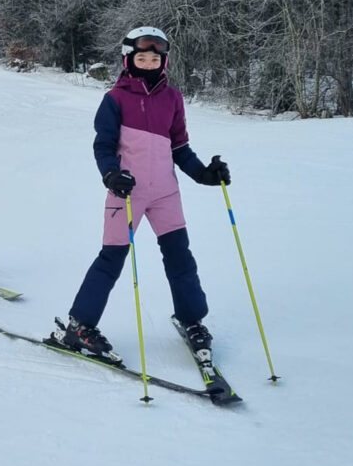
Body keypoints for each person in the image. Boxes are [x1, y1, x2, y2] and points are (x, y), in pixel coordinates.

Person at [52, 27, 230, 361]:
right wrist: (111, 174)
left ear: (163, 62)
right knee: (112, 258)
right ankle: (80, 324)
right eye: (141, 58)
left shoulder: (173, 98)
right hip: (127, 192)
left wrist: (204, 174)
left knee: (180, 256)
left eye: (154, 59)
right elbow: (103, 145)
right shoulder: (115, 99)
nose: (148, 64)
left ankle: (191, 319)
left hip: (166, 193)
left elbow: (180, 147)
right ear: (128, 60)